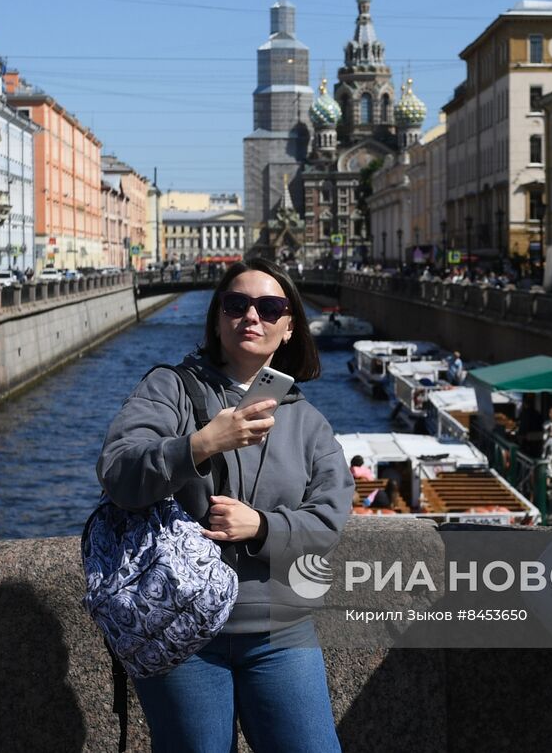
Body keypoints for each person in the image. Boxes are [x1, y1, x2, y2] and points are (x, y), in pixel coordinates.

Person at [97, 258, 351, 753]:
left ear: (289, 326)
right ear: (217, 318)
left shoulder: (309, 421)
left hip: (281, 631)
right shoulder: (169, 388)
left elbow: (328, 520)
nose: (251, 317)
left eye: (270, 307)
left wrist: (260, 527)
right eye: (237, 304)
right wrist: (199, 444)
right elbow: (117, 471)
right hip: (180, 629)